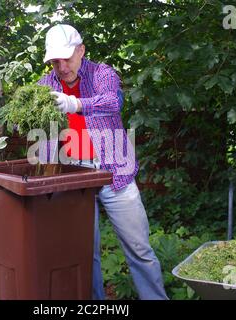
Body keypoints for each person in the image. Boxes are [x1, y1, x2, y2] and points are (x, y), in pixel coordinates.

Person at [37, 24, 168, 300]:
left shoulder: (102, 74)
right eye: (55, 60)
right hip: (74, 177)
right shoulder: (44, 87)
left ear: (81, 50)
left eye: (66, 58)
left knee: (139, 249)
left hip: (113, 172)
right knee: (86, 254)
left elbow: (112, 102)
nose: (61, 66)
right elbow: (38, 129)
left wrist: (76, 104)